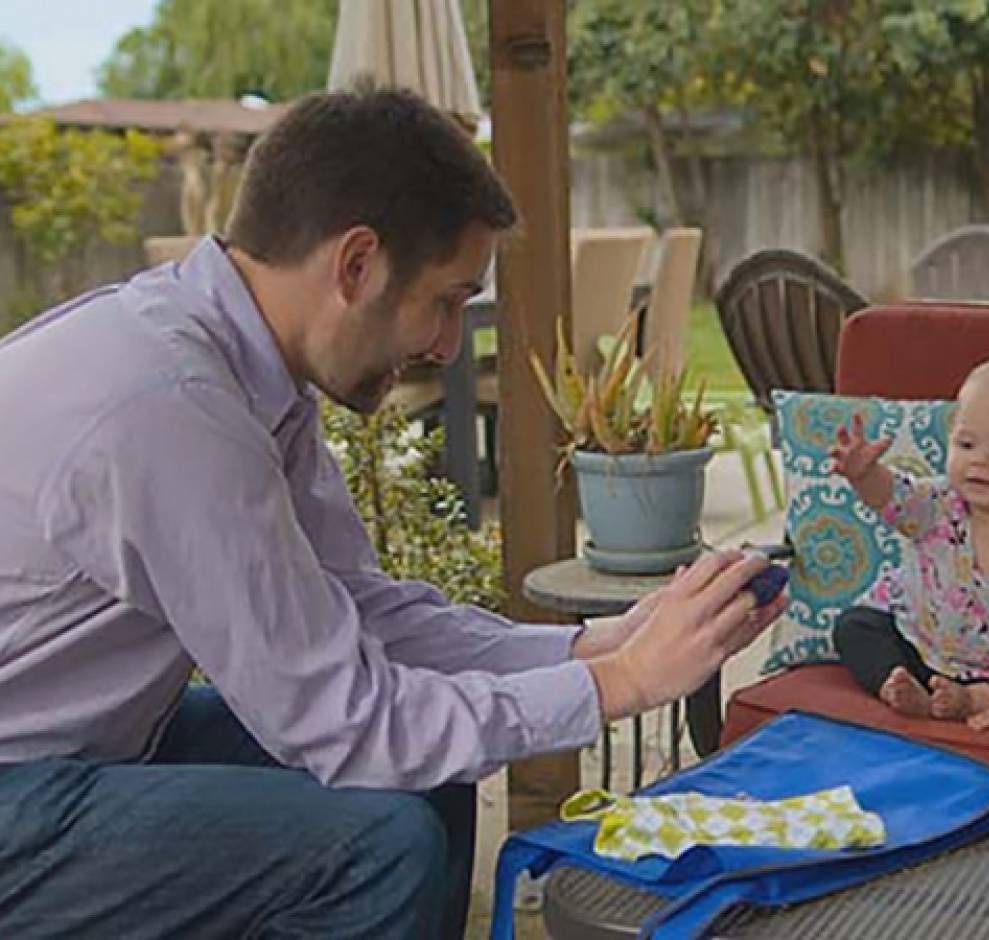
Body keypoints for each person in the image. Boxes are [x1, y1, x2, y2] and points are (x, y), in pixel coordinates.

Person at [0, 88, 784, 939]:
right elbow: (343, 723)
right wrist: (623, 685)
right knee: (377, 848)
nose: (449, 346)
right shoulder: (176, 408)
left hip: (88, 742)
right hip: (21, 785)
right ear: (356, 265)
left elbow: (362, 612)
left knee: (429, 767)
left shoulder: (244, 370)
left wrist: (600, 643)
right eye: (448, 300)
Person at [831, 361, 989, 735]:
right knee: (854, 626)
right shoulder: (935, 505)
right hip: (917, 645)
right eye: (966, 444)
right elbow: (893, 498)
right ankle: (897, 684)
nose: (981, 461)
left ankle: (973, 699)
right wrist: (865, 475)